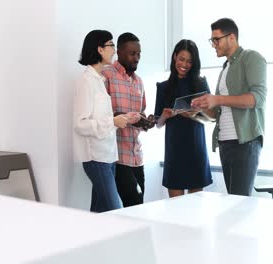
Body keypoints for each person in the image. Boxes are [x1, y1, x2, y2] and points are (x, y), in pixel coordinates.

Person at [191, 18, 267, 196]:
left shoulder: (251, 58)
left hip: (245, 142)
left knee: (240, 203)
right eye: (212, 40)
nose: (213, 45)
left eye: (216, 39)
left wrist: (217, 99)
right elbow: (218, 112)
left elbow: (257, 98)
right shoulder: (225, 68)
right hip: (225, 143)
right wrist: (200, 108)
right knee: (233, 200)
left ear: (231, 38)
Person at [73, 30, 138, 212]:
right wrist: (113, 122)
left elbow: (102, 118)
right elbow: (80, 124)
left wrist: (122, 119)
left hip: (109, 156)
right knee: (115, 211)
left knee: (99, 213)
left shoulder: (99, 80)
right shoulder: (86, 81)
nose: (114, 51)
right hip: (96, 157)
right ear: (100, 49)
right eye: (111, 45)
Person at [154, 39, 213, 198]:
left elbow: (211, 119)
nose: (184, 64)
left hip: (195, 148)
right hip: (174, 151)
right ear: (174, 57)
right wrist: (165, 116)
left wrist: (195, 115)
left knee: (196, 209)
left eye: (189, 61)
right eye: (181, 59)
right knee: (175, 209)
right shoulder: (163, 87)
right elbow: (158, 124)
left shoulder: (201, 84)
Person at [102, 32, 149, 207]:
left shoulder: (140, 82)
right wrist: (127, 118)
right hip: (117, 156)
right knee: (133, 204)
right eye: (132, 53)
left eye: (139, 54)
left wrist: (145, 122)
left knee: (139, 206)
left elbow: (141, 114)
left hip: (137, 157)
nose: (136, 58)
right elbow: (101, 115)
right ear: (119, 52)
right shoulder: (106, 75)